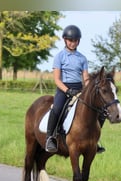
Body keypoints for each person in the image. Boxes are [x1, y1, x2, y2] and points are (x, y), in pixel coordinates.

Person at [45, 25, 105, 153]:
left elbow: (86, 78)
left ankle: (95, 139)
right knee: (57, 109)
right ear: (65, 40)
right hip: (63, 88)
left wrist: (88, 89)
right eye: (70, 40)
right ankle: (50, 137)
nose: (73, 43)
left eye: (75, 40)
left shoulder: (82, 58)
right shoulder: (59, 57)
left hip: (79, 88)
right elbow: (57, 79)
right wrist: (67, 90)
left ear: (78, 41)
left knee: (98, 110)